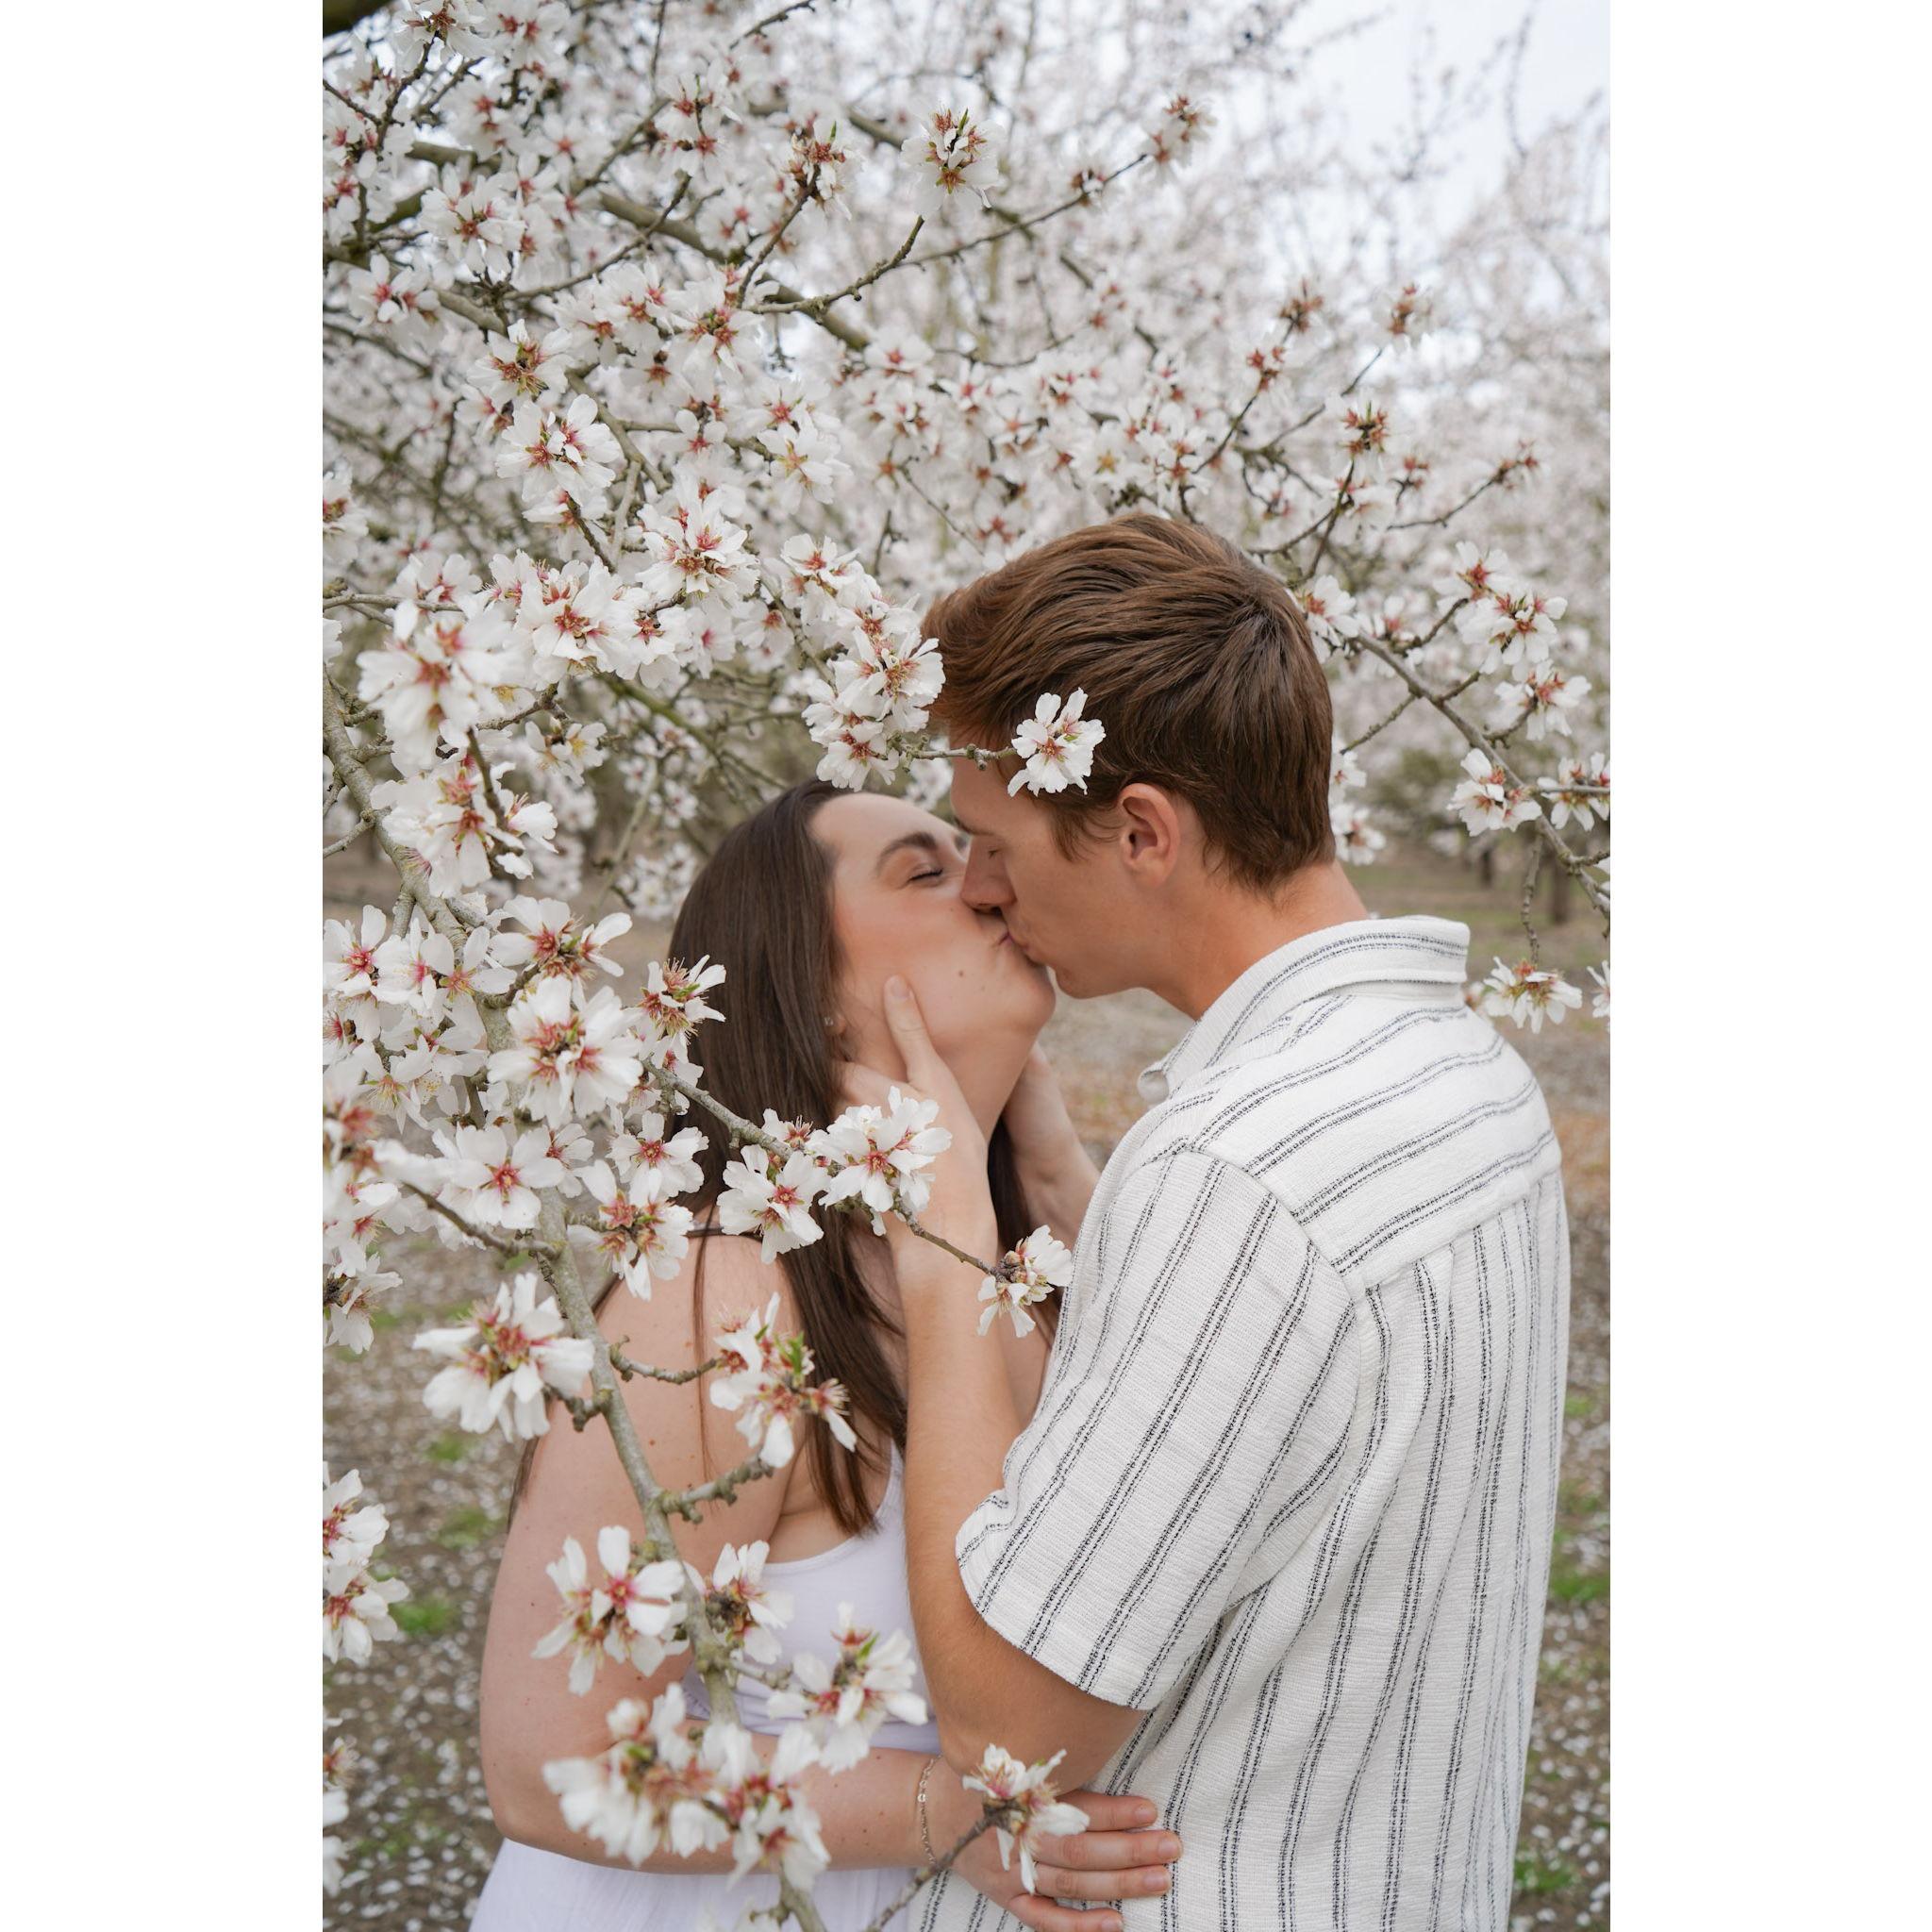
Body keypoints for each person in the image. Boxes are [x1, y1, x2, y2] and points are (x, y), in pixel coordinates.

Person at [851, 513, 1571, 1930]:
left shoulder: (1238, 1173)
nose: (981, 887)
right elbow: (1290, 1426)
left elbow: (1010, 1732)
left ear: (1140, 832)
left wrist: (945, 1247)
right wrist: (1077, 1195)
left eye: (992, 842)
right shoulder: (1472, 1077)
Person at [469, 781, 1183, 1932]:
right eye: (926, 869)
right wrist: (944, 1810)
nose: (989, 882)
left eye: (977, 851)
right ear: (807, 993)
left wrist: (1052, 1172)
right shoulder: (718, 1295)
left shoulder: (1019, 1261)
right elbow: (548, 1765)